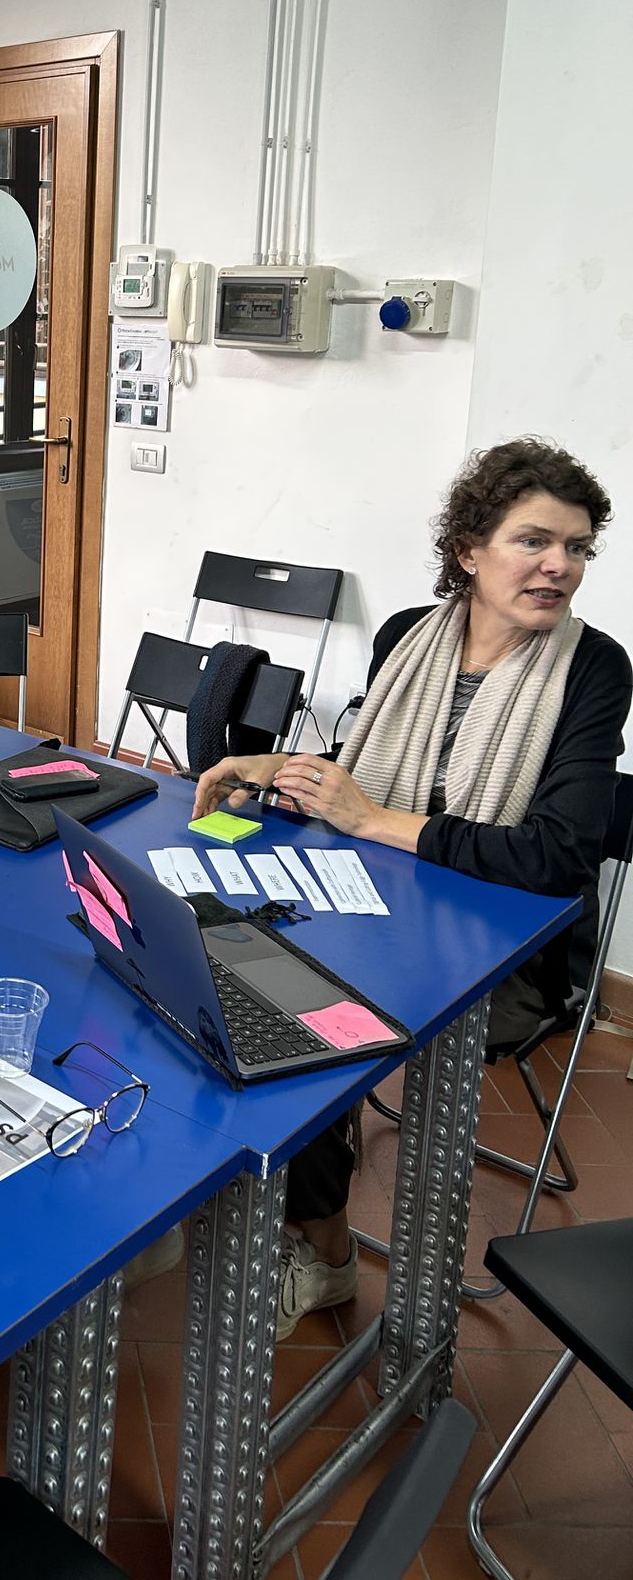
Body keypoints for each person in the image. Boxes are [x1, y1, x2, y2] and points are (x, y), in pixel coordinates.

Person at [192, 437, 632, 1339]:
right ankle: (251, 1203)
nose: (560, 566)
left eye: (577, 548)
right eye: (534, 541)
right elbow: (376, 772)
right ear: (469, 550)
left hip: (511, 950)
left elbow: (555, 857)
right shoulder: (408, 636)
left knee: (299, 1007)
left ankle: (322, 1251)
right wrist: (284, 768)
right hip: (376, 900)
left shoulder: (593, 668)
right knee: (218, 952)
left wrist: (368, 819)